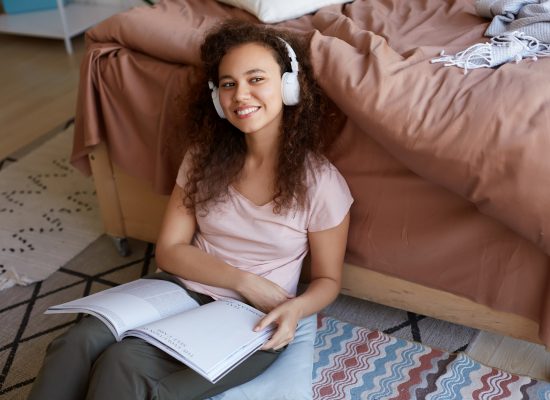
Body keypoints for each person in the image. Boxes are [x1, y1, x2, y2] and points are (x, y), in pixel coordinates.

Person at [29, 20, 353, 400]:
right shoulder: (202, 159)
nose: (240, 95)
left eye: (256, 79)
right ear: (217, 97)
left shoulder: (322, 183)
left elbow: (328, 281)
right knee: (78, 341)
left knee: (125, 365)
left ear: (288, 86)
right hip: (182, 287)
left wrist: (296, 310)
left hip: (249, 315)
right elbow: (169, 250)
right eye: (228, 83)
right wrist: (242, 280)